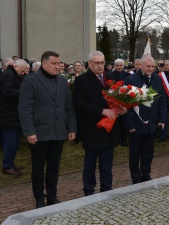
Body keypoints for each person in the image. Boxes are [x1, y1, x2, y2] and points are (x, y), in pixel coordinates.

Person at [18, 51, 77, 208]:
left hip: (58, 132)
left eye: (59, 64)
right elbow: (24, 108)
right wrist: (29, 131)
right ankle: (39, 198)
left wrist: (71, 127)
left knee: (54, 165)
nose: (58, 66)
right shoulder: (31, 81)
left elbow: (68, 107)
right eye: (54, 64)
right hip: (38, 133)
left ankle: (52, 196)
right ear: (44, 64)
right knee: (38, 167)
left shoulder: (62, 81)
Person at [73, 51, 121, 196]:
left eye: (102, 63)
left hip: (109, 128)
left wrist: (121, 108)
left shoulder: (112, 77)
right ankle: (89, 190)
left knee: (107, 164)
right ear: (89, 64)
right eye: (97, 63)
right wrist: (102, 111)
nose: (100, 66)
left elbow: (118, 98)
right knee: (90, 164)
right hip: (92, 128)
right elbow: (79, 104)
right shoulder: (82, 80)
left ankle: (106, 189)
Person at [123, 55, 166, 184]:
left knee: (148, 153)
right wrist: (130, 125)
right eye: (148, 66)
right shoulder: (131, 79)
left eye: (153, 66)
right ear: (140, 65)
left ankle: (146, 175)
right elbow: (124, 104)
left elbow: (162, 100)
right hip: (136, 125)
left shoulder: (157, 79)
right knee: (135, 154)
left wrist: (162, 120)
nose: (151, 69)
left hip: (152, 124)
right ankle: (136, 178)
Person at [0, 59, 28, 176]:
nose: (25, 73)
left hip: (14, 116)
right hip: (8, 116)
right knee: (10, 143)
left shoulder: (14, 75)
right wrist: (24, 91)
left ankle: (10, 162)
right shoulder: (8, 76)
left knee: (15, 143)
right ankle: (7, 166)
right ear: (17, 66)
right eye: (23, 70)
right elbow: (7, 93)